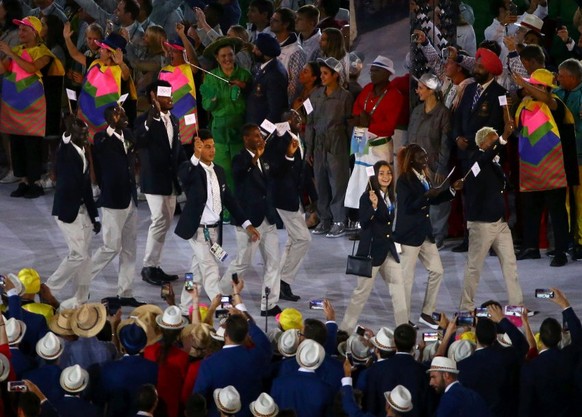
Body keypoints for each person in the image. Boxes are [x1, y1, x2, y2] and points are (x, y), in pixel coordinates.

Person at [174, 131, 260, 311]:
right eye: (207, 147)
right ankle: (225, 310)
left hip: (213, 232)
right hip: (197, 230)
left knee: (195, 273)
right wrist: (195, 156)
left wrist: (247, 224)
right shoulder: (190, 169)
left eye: (213, 146)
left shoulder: (219, 171)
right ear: (198, 148)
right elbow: (184, 176)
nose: (212, 150)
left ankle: (184, 306)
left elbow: (230, 200)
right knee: (211, 271)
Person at [513, 69, 579, 267]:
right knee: (531, 209)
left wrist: (525, 86)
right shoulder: (526, 105)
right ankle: (531, 248)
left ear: (544, 88)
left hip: (555, 168)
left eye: (534, 85)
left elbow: (546, 98)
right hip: (531, 167)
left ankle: (560, 252)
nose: (529, 88)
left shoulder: (554, 103)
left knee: (557, 211)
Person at [394, 144, 463, 328]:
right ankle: (402, 321)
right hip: (408, 235)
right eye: (421, 158)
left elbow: (433, 198)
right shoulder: (404, 181)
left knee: (437, 271)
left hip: (424, 233)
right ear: (411, 160)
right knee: (406, 281)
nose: (425, 160)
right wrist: (426, 196)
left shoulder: (423, 177)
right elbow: (408, 206)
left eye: (425, 156)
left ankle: (426, 313)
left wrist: (451, 191)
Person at [459, 126, 524, 311]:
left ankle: (516, 306)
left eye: (497, 139)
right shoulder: (476, 161)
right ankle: (466, 307)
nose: (497, 143)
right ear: (483, 143)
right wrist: (503, 137)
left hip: (500, 223)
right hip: (481, 225)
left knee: (510, 265)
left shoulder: (495, 163)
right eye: (493, 140)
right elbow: (484, 158)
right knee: (474, 268)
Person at [222, 123, 282, 316]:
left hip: (267, 217)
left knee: (273, 261)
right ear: (246, 139)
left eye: (260, 135)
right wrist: (256, 157)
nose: (260, 138)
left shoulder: (263, 158)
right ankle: (222, 292)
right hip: (248, 221)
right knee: (242, 262)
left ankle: (269, 304)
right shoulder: (239, 158)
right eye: (256, 136)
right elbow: (239, 175)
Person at [0, 16, 63, 198]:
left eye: (24, 30)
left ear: (35, 33)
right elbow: (3, 70)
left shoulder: (44, 52)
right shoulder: (17, 49)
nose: (20, 33)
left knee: (32, 145)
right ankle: (23, 181)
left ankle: (35, 182)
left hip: (33, 108)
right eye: (19, 30)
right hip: (14, 105)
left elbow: (31, 68)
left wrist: (11, 54)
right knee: (17, 144)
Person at [340, 161, 407, 331]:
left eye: (389, 173)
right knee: (361, 294)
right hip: (371, 252)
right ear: (375, 176)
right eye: (382, 173)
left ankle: (403, 329)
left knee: (399, 290)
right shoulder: (367, 197)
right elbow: (363, 222)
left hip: (388, 250)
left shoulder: (391, 196)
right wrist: (375, 206)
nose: (386, 177)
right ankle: (344, 330)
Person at [452, 47, 506, 253]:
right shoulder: (469, 90)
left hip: (486, 157)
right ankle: (470, 239)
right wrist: (457, 137)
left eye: (480, 67)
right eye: (476, 65)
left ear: (491, 71)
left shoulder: (500, 94)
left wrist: (476, 145)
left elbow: (496, 127)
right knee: (470, 198)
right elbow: (457, 118)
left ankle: (491, 242)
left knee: (488, 199)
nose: (476, 69)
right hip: (465, 154)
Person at [44, 115, 100, 309]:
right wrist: (67, 131)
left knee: (86, 256)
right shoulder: (66, 150)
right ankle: (49, 288)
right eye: (82, 134)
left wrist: (95, 217)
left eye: (87, 134)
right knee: (77, 254)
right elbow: (63, 143)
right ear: (71, 134)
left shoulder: (82, 150)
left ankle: (81, 297)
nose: (86, 137)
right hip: (68, 212)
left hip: (84, 211)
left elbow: (85, 187)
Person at [135, 80, 187, 287]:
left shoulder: (174, 119)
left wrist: (189, 166)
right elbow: (140, 140)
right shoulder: (143, 120)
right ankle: (148, 267)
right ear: (153, 97)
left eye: (170, 93)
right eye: (164, 94)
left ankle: (155, 265)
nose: (170, 97)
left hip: (170, 179)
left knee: (165, 222)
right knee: (159, 221)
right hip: (154, 178)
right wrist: (152, 117)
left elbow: (178, 148)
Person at [90, 104, 142, 308]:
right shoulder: (102, 138)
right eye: (119, 113)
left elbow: (138, 141)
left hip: (130, 198)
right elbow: (101, 150)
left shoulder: (128, 134)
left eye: (124, 111)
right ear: (110, 118)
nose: (124, 115)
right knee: (111, 247)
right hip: (113, 200)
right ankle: (83, 280)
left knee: (129, 248)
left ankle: (126, 292)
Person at [345, 56, 405, 215]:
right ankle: (361, 219)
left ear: (387, 73)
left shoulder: (395, 95)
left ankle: (380, 216)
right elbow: (356, 109)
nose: (372, 74)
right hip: (360, 138)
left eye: (376, 71)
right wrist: (361, 120)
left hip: (378, 145)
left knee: (377, 180)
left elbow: (389, 126)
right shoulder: (367, 89)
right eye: (371, 70)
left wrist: (367, 124)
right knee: (358, 178)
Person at [264, 110, 310, 301]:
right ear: (285, 122)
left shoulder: (299, 137)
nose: (297, 119)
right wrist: (289, 156)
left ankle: (280, 282)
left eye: (298, 117)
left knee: (294, 239)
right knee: (304, 239)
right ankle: (283, 280)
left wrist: (310, 199)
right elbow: (274, 170)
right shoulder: (277, 140)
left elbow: (301, 172)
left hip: (295, 196)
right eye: (293, 118)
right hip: (283, 196)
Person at [195, 303, 272, 417]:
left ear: (225, 334)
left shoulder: (209, 364)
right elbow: (263, 341)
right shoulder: (257, 356)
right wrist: (245, 319)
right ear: (246, 335)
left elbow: (198, 397)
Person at [306, 56, 353, 237]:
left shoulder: (345, 97)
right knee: (322, 183)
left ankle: (339, 220)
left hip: (337, 143)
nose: (322, 76)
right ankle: (325, 219)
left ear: (336, 75)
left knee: (338, 183)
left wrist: (352, 151)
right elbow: (310, 123)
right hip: (319, 144)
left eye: (326, 73)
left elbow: (350, 124)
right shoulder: (314, 95)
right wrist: (308, 149)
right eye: (321, 73)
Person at [519, 288, 582, 417]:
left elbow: (526, 405)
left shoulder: (530, 367)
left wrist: (525, 321)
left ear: (540, 338)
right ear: (560, 337)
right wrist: (565, 304)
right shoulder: (570, 356)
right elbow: (579, 338)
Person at [200, 36, 252, 196]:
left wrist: (245, 88)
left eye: (230, 54)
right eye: (223, 56)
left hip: (240, 128)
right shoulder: (210, 77)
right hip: (219, 130)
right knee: (222, 170)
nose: (227, 59)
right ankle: (227, 207)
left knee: (241, 169)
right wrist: (213, 99)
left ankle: (242, 204)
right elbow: (206, 105)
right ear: (217, 58)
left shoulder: (244, 75)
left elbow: (252, 101)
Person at [407, 73, 452, 249]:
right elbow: (410, 138)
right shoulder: (417, 111)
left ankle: (436, 236)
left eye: (420, 88)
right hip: (415, 166)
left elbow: (445, 144)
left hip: (434, 165)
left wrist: (441, 168)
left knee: (438, 204)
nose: (417, 91)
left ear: (431, 90)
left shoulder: (443, 114)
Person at [555, 58, 582, 260]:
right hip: (559, 157)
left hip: (579, 156)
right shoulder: (556, 93)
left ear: (572, 78)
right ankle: (566, 241)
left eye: (561, 76)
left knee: (580, 201)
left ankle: (580, 241)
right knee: (563, 201)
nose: (558, 78)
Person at [158, 23, 199, 145]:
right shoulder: (164, 71)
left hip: (189, 127)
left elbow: (194, 60)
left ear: (184, 53)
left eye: (175, 51)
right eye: (170, 50)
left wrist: (182, 35)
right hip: (170, 123)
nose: (171, 53)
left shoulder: (190, 69)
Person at [246, 32, 289, 125]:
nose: (253, 51)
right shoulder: (261, 65)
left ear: (265, 53)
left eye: (256, 49)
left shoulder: (275, 74)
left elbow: (275, 110)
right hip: (254, 123)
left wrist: (263, 133)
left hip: (261, 129)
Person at [271, 7, 307, 103]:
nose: (271, 22)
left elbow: (296, 84)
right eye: (271, 19)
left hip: (282, 104)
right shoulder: (270, 44)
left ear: (286, 24)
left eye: (275, 20)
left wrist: (287, 105)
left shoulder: (296, 51)